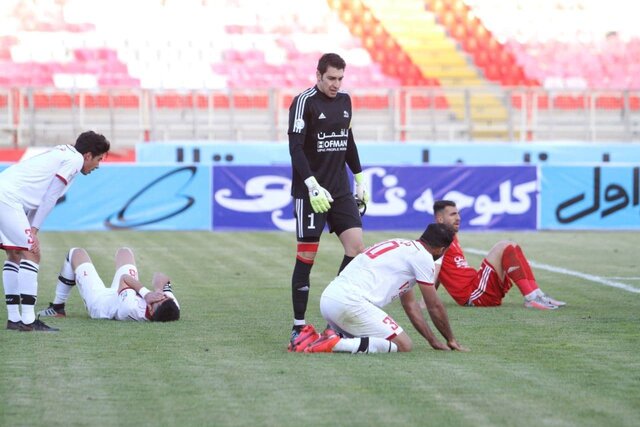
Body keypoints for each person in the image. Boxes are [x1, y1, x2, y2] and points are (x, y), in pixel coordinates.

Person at [287, 52, 369, 348]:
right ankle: (298, 326)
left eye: (340, 78)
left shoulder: (345, 101)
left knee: (357, 249)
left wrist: (359, 178)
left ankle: (334, 321)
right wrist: (311, 186)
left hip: (340, 191)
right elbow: (295, 148)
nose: (336, 84)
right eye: (331, 78)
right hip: (311, 193)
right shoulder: (304, 102)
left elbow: (348, 142)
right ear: (318, 75)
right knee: (307, 258)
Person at [290, 223, 468, 354]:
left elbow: (411, 305)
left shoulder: (402, 245)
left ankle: (316, 338)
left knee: (376, 339)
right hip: (350, 303)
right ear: (441, 249)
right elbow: (434, 305)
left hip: (329, 299)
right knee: (404, 345)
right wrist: (450, 339)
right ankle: (335, 343)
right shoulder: (423, 258)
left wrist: (433, 340)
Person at [1, 131, 110, 332]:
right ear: (87, 156)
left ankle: (15, 319)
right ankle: (28, 321)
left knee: (15, 253)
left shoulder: (65, 153)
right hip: (7, 198)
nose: (98, 165)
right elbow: (50, 198)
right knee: (32, 252)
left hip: (6, 192)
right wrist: (33, 230)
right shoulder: (75, 160)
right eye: (99, 159)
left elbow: (39, 195)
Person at [432, 200, 566, 310]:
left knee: (512, 246)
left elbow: (441, 270)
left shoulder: (451, 236)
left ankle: (538, 295)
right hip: (473, 294)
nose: (458, 218)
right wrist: (427, 300)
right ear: (440, 219)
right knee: (503, 246)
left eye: (458, 213)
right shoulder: (437, 237)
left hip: (477, 286)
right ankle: (531, 298)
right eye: (453, 214)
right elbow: (436, 269)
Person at [38, 247, 180, 322]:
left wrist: (147, 294)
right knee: (125, 251)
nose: (160, 297)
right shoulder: (171, 306)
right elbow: (161, 276)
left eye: (158, 300)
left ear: (151, 309)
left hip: (100, 302)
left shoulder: (131, 308)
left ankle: (57, 308)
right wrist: (158, 290)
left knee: (75, 252)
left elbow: (124, 279)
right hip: (121, 293)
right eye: (163, 297)